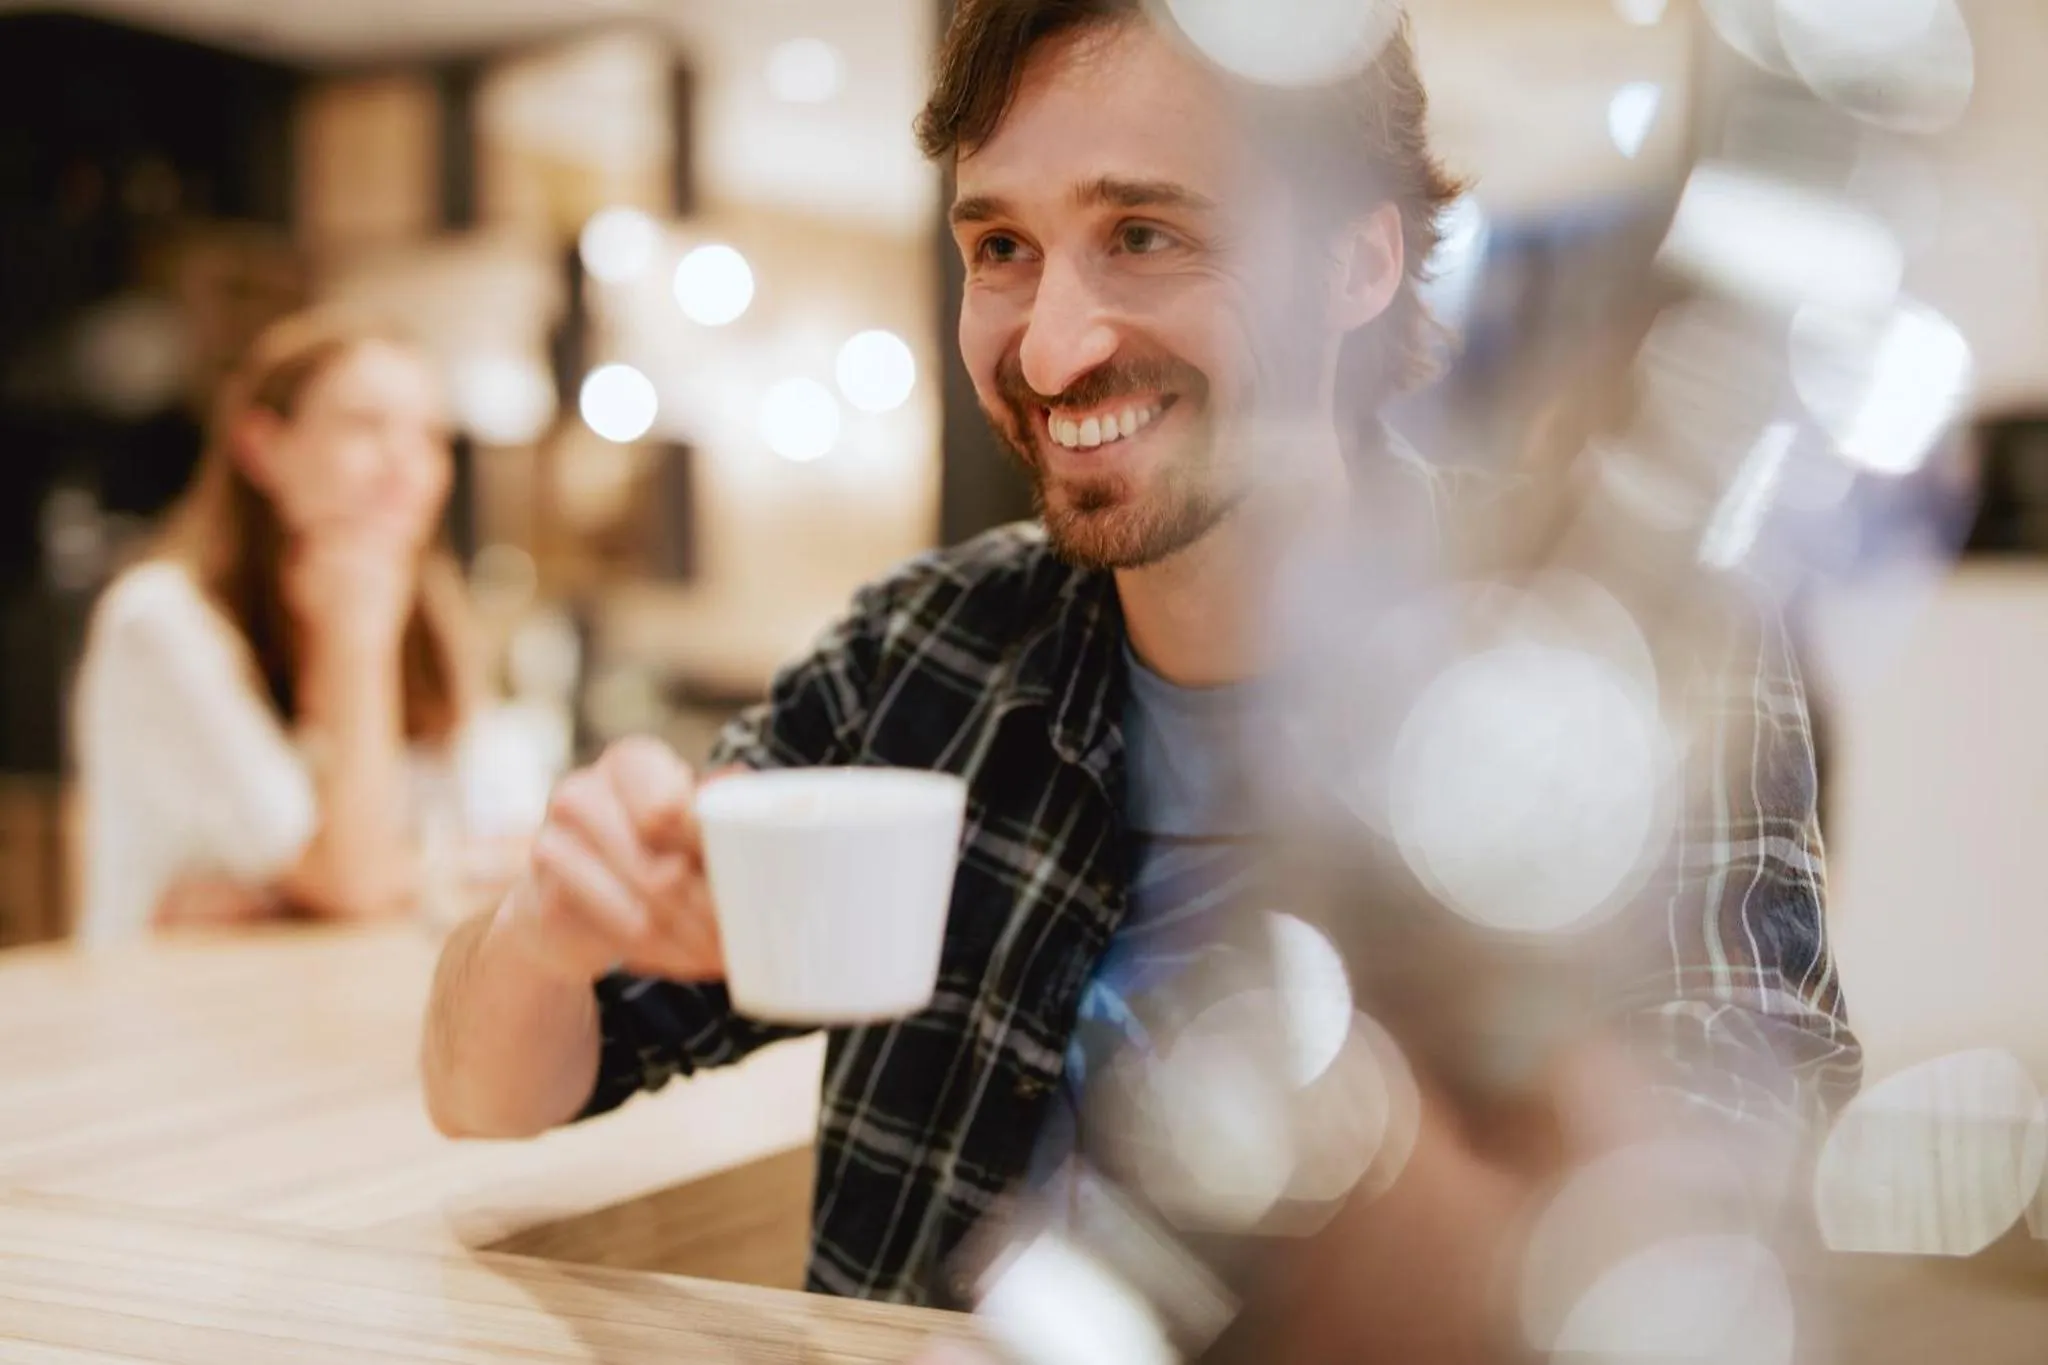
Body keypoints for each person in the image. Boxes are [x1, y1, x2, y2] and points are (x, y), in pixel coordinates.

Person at [421, 0, 1859, 1323]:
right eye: (1001, 250)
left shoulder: (1592, 656)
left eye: (1146, 235)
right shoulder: (919, 657)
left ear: (1358, 261)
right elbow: (484, 1092)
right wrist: (551, 922)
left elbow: (1730, 1162)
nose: (1051, 348)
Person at [75, 311, 546, 943]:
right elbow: (352, 879)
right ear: (262, 447)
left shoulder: (429, 609)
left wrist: (316, 889)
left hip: (336, 997)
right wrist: (356, 643)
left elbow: (520, 838)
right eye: (365, 426)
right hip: (169, 1018)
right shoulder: (158, 620)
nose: (406, 464)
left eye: (430, 437)